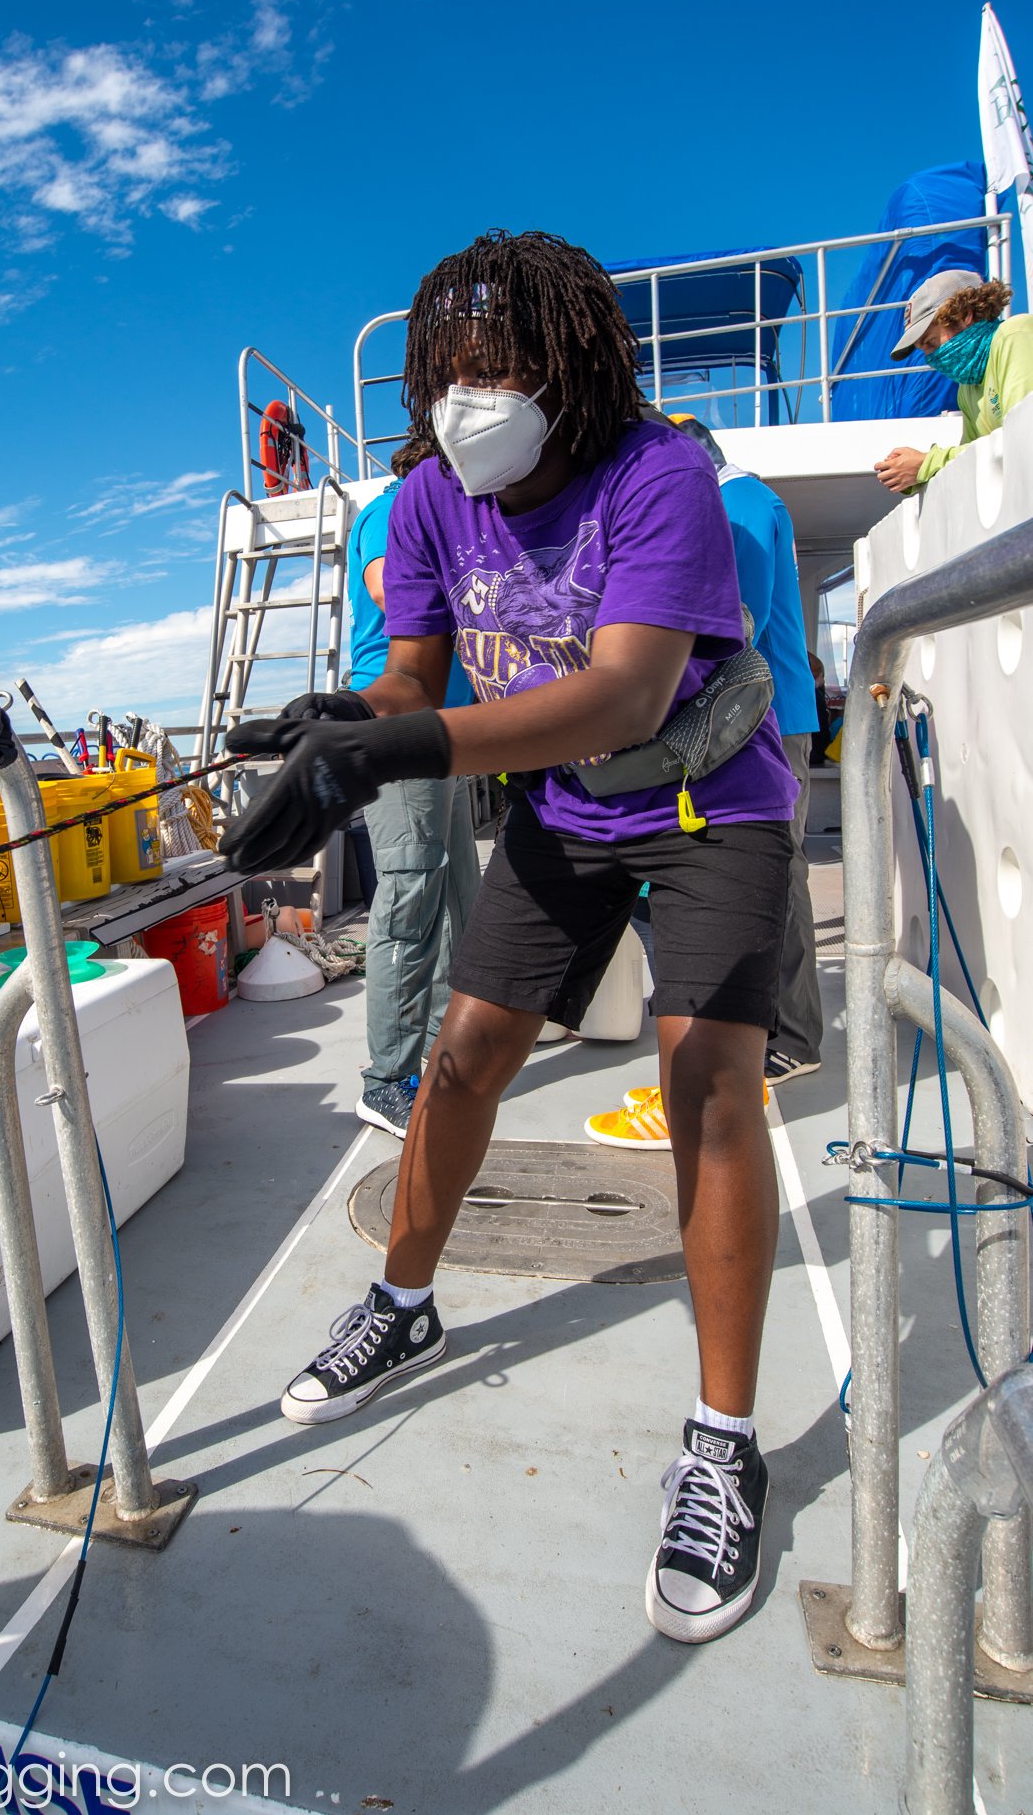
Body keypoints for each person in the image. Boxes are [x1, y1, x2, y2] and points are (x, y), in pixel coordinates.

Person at [221, 229, 799, 1645]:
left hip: (705, 797)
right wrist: (344, 719)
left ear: (569, 366)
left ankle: (723, 1439)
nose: (470, 398)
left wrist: (400, 750)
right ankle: (401, 1300)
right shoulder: (426, 500)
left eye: (501, 369)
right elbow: (412, 666)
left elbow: (621, 693)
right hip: (561, 813)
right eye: (450, 373)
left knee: (705, 1088)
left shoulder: (659, 472)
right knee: (462, 1058)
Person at [586, 413, 821, 1150]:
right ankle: (765, 1031)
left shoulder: (738, 501)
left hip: (761, 719)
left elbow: (730, 622)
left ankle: (786, 1041)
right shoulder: (734, 498)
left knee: (771, 876)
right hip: (733, 720)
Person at [345, 433, 480, 1136]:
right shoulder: (392, 505)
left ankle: (436, 1052)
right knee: (409, 891)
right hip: (398, 724)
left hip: (448, 732)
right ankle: (385, 1079)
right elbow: (385, 585)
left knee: (459, 895)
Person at [875, 271, 1033, 496]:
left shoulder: (1015, 336)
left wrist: (925, 464)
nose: (931, 358)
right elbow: (972, 463)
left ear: (964, 315)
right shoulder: (967, 387)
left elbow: (1023, 438)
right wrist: (915, 473)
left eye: (930, 342)